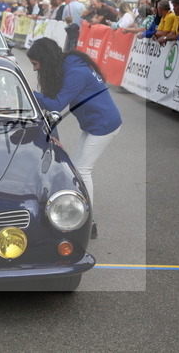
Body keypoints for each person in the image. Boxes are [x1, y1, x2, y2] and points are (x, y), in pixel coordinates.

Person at [27, 38, 122, 237]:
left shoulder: (75, 73)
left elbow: (56, 105)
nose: (35, 69)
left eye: (36, 64)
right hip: (94, 123)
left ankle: (88, 222)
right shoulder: (67, 64)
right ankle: (80, 214)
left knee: (82, 171)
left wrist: (29, 93)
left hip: (104, 125)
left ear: (46, 59)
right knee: (76, 170)